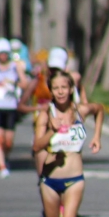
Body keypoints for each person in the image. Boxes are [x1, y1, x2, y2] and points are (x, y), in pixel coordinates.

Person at [32, 69, 104, 217]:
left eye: (64, 87)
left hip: (75, 178)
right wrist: (51, 133)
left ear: (71, 88)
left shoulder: (80, 111)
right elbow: (36, 146)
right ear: (51, 91)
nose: (60, 92)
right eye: (56, 88)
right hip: (50, 180)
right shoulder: (46, 115)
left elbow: (99, 109)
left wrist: (96, 136)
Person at [18, 47, 89, 176]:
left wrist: (80, 111)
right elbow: (21, 106)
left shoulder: (73, 80)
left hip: (66, 132)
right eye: (52, 68)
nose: (54, 72)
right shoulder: (38, 81)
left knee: (68, 174)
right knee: (44, 176)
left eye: (58, 69)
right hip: (43, 129)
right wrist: (39, 109)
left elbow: (83, 101)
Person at [0, 38, 28, 178]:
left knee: (8, 141)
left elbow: (24, 84)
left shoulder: (15, 66)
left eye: (5, 53)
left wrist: (13, 83)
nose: (3, 56)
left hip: (11, 106)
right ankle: (1, 166)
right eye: (0, 53)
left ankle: (5, 157)